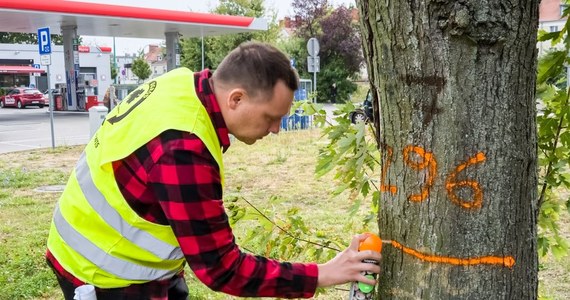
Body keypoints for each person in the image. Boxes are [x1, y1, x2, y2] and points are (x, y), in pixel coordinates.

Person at [46, 42, 381, 300]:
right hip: (104, 274)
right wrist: (323, 273)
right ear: (236, 99)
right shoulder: (182, 147)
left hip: (110, 253)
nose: (277, 129)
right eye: (271, 117)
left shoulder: (180, 85)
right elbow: (221, 268)